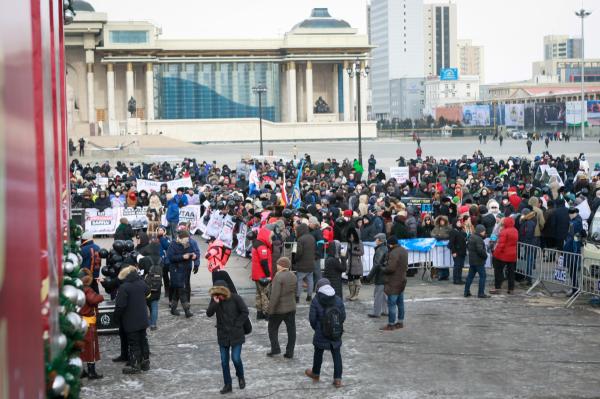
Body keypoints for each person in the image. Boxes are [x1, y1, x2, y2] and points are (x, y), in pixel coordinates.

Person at [206, 280, 249, 395]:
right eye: (217, 294)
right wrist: (215, 303)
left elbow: (245, 312)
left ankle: (240, 376)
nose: (219, 296)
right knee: (224, 362)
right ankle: (228, 384)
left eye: (220, 294)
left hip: (236, 334)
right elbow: (209, 313)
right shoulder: (215, 300)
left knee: (235, 358)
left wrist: (237, 324)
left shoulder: (236, 298)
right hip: (223, 335)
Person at [305, 278, 346, 388]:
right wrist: (336, 325)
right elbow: (343, 316)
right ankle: (338, 379)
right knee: (337, 355)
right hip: (335, 332)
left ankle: (316, 373)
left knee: (318, 353)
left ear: (318, 288)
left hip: (321, 332)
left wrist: (317, 328)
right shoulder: (338, 299)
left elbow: (312, 319)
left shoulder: (316, 300)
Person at [113, 265, 151, 374]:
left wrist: (116, 318)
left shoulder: (124, 287)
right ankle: (145, 362)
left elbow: (120, 306)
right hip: (143, 318)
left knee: (133, 342)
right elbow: (148, 294)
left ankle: (135, 365)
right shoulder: (142, 283)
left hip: (131, 320)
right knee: (143, 340)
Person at [266, 257, 297, 358]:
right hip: (291, 307)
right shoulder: (293, 275)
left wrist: (270, 310)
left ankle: (275, 349)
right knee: (291, 330)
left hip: (279, 309)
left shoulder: (278, 277)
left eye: (278, 264)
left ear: (282, 265)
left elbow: (275, 295)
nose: (276, 265)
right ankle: (290, 352)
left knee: (272, 328)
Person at [79, 268, 104, 379]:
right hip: (88, 323)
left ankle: (81, 370)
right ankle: (91, 372)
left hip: (79, 321)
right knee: (91, 348)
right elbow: (93, 300)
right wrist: (101, 297)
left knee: (81, 347)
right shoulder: (87, 290)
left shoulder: (77, 289)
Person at [380, 237, 408, 331]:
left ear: (391, 244)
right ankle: (400, 322)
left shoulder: (393, 253)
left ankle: (391, 324)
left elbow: (391, 268)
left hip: (393, 282)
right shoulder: (403, 250)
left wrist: (383, 269)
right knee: (400, 303)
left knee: (391, 304)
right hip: (402, 280)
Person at [166, 229, 196, 318]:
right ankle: (187, 311)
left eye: (188, 238)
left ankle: (173, 309)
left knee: (177, 291)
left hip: (185, 270)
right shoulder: (173, 245)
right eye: (186, 238)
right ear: (181, 238)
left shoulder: (187, 244)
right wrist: (182, 257)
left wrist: (193, 256)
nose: (188, 240)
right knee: (181, 290)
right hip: (176, 271)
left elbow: (192, 251)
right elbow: (170, 258)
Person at [491, 217, 518, 294]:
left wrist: (495, 253)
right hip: (512, 254)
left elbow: (501, 245)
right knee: (511, 273)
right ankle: (511, 289)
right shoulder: (515, 230)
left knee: (498, 271)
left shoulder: (504, 232)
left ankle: (497, 288)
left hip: (503, 255)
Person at [251, 227, 273, 320]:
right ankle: (267, 314)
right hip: (262, 275)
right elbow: (264, 261)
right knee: (265, 295)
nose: (271, 240)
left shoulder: (256, 243)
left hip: (257, 274)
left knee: (259, 294)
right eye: (270, 237)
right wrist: (268, 275)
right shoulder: (261, 246)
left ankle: (259, 313)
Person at [464, 225, 490, 298]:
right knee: (483, 276)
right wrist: (485, 256)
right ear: (480, 231)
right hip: (478, 261)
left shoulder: (472, 237)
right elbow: (480, 250)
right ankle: (481, 293)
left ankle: (466, 292)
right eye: (484, 231)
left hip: (472, 260)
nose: (484, 232)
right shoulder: (478, 239)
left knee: (470, 276)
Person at [367, 233, 388, 318]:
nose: (375, 240)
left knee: (378, 294)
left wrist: (369, 276)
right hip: (385, 274)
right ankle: (385, 311)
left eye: (376, 239)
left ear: (380, 240)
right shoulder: (385, 248)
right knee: (384, 294)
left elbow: (376, 264)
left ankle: (376, 312)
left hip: (380, 274)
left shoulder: (380, 250)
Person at [564, 207, 584, 297]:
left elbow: (571, 237)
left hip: (572, 249)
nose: (569, 215)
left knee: (573, 269)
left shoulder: (575, 222)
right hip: (572, 248)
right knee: (572, 270)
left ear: (575, 213)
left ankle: (575, 289)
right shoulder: (576, 221)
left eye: (571, 214)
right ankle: (575, 288)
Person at [294, 223, 316, 303]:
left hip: (302, 264)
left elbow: (299, 252)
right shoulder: (312, 237)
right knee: (310, 280)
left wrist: (295, 259)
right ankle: (309, 297)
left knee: (299, 281)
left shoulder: (300, 239)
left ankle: (297, 297)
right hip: (311, 263)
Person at [345, 228, 364, 301]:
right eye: (350, 236)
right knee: (350, 279)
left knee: (356, 278)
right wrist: (343, 258)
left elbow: (362, 252)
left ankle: (356, 295)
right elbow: (347, 253)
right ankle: (351, 294)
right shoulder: (349, 243)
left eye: (352, 236)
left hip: (357, 264)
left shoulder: (360, 242)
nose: (351, 237)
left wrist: (353, 252)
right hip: (350, 264)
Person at [448, 218, 467, 284]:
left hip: (462, 251)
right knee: (457, 265)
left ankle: (459, 278)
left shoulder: (460, 230)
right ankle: (456, 279)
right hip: (457, 251)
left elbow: (464, 236)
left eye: (460, 222)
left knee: (461, 265)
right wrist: (453, 252)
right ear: (455, 223)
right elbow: (451, 243)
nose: (459, 223)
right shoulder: (453, 231)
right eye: (458, 222)